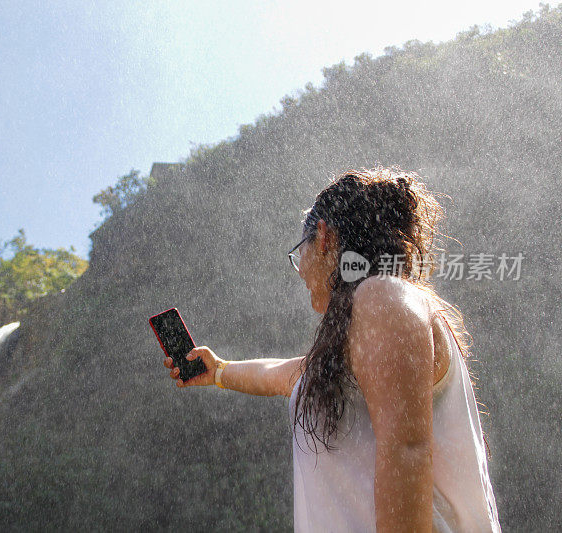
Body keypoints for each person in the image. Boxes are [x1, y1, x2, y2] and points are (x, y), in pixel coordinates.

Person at [162, 167, 501, 532]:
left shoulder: (382, 296)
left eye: (299, 253)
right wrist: (219, 371)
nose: (299, 270)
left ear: (323, 237)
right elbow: (278, 375)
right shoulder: (355, 337)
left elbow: (408, 451)